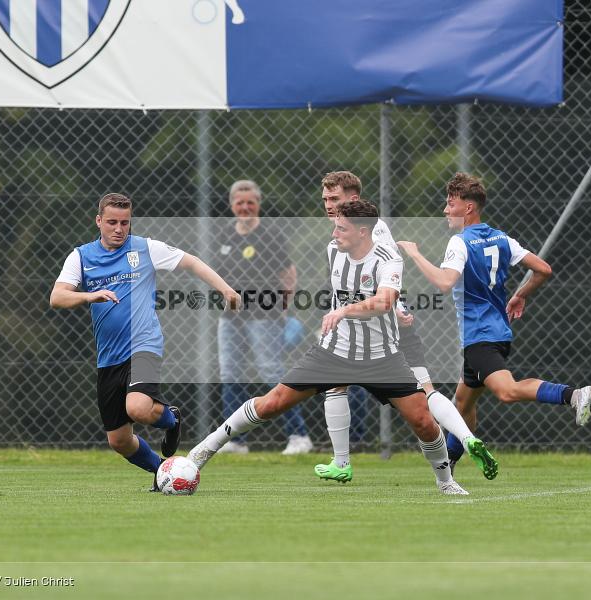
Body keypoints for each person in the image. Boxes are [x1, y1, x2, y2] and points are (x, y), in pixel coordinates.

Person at [189, 200, 499, 495]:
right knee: (273, 403)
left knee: (423, 419)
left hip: (382, 357)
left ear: (363, 232)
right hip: (333, 352)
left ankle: (446, 483)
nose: (334, 233)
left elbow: (385, 301)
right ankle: (203, 450)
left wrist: (343, 311)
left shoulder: (389, 258)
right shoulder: (332, 250)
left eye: (342, 228)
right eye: (335, 227)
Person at [397, 173, 591, 472]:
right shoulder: (501, 237)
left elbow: (443, 282)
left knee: (507, 392)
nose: (445, 210)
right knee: (463, 404)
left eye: (450, 204)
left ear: (468, 208)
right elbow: (543, 269)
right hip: (497, 332)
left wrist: (414, 253)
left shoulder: (460, 242)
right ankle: (448, 467)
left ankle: (572, 395)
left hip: (480, 336)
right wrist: (520, 295)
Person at [50, 193, 239, 489]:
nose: (118, 228)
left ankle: (170, 420)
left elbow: (191, 263)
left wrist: (226, 289)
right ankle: (162, 470)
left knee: (137, 408)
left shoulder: (145, 248)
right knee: (119, 440)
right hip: (109, 356)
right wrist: (89, 295)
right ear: (98, 221)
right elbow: (57, 296)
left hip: (143, 343)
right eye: (111, 222)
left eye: (124, 222)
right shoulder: (81, 256)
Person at [313, 171, 468, 484]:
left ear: (354, 200)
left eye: (335, 199)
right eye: (326, 199)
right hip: (366, 320)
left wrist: (397, 308)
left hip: (385, 324)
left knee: (421, 397)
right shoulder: (343, 232)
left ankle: (457, 449)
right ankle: (465, 441)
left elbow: (388, 269)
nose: (329, 205)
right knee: (338, 384)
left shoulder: (370, 229)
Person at [213, 180, 312, 455]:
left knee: (272, 373)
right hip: (230, 316)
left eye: (250, 202)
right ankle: (234, 441)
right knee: (230, 374)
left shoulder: (270, 235)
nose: (245, 207)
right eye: (240, 202)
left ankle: (299, 435)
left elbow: (288, 274)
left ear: (258, 203)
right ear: (232, 205)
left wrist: (282, 308)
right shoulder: (225, 235)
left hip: (264, 315)